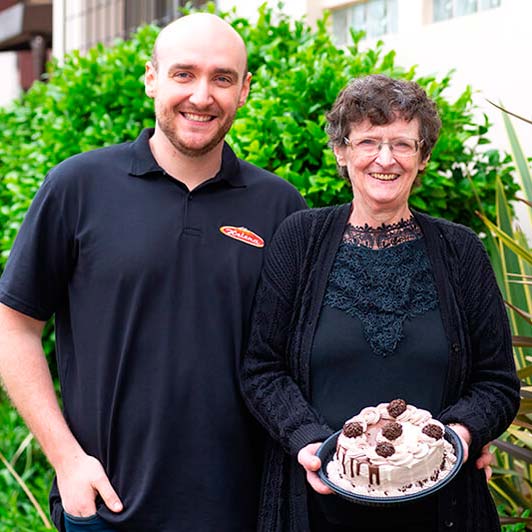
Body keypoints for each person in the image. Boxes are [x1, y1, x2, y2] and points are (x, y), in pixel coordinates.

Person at [0, 13, 306, 532]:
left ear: (245, 90)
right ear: (151, 78)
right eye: (183, 74)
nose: (202, 96)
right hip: (105, 507)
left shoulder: (280, 206)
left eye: (223, 78)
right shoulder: (79, 186)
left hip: (244, 511)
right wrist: (67, 461)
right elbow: (14, 327)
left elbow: (310, 352)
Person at [240, 74, 520, 532]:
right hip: (317, 506)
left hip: (441, 510)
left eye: (403, 144)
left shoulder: (461, 250)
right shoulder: (299, 240)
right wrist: (310, 445)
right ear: (342, 151)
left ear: (423, 156)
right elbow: (262, 368)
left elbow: (497, 382)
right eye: (368, 141)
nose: (385, 159)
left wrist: (457, 439)